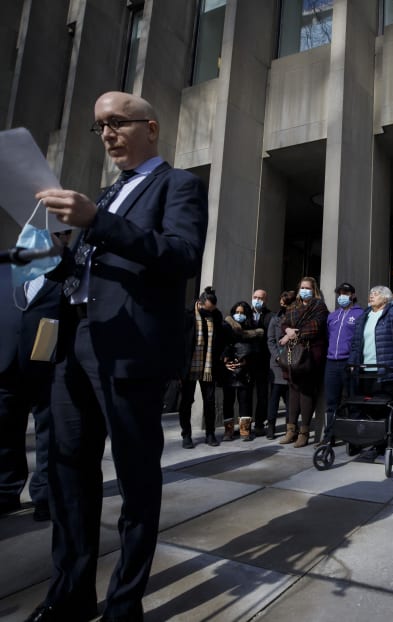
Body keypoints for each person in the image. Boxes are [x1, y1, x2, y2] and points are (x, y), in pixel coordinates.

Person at [31, 91, 208, 622]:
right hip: (73, 342)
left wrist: (98, 221)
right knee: (68, 474)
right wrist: (60, 250)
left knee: (135, 480)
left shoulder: (178, 185)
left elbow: (180, 254)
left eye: (116, 123)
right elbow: (84, 271)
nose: (107, 134)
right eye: (99, 127)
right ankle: (71, 592)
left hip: (130, 349)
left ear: (149, 128)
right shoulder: (106, 194)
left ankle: (124, 605)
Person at [0, 242, 66, 522]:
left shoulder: (64, 275)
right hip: (6, 364)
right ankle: (6, 491)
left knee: (48, 436)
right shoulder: (6, 270)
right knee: (4, 432)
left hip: (46, 365)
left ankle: (45, 495)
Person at [347, 285, 393, 418]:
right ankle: (371, 437)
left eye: (376, 294)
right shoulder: (364, 316)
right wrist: (352, 363)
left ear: (385, 299)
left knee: (385, 408)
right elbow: (356, 344)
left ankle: (389, 436)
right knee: (367, 408)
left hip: (385, 371)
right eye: (371, 293)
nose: (371, 296)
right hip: (364, 372)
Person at [279, 276, 329, 447]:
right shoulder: (292, 306)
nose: (304, 290)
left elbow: (316, 326)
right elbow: (283, 323)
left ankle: (304, 432)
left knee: (306, 393)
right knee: (293, 391)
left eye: (308, 288)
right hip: (292, 353)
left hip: (310, 354)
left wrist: (293, 333)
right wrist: (287, 330)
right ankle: (291, 429)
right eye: (302, 287)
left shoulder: (319, 306)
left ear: (313, 289)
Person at [179, 286, 225, 448]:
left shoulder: (216, 316)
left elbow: (222, 339)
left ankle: (210, 433)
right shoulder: (186, 314)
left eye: (212, 310)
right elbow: (179, 342)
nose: (209, 312)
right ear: (200, 303)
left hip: (209, 366)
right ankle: (186, 434)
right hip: (189, 366)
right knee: (186, 401)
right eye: (207, 309)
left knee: (210, 401)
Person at [321, 282, 363, 445]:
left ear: (352, 295)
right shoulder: (332, 316)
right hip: (331, 362)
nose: (342, 296)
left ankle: (354, 439)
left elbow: (360, 341)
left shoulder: (360, 314)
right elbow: (328, 337)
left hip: (349, 362)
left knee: (353, 400)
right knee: (331, 402)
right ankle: (329, 436)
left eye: (345, 293)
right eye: (339, 293)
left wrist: (354, 360)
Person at [221, 301, 261, 441]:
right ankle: (228, 431)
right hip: (229, 372)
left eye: (242, 313)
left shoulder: (253, 329)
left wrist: (247, 360)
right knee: (228, 402)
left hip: (246, 371)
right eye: (237, 312)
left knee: (245, 401)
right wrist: (225, 362)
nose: (239, 315)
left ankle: (245, 431)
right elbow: (221, 346)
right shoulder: (225, 328)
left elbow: (256, 351)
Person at [265, 290, 295, 439]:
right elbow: (270, 340)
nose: (283, 305)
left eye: (286, 302)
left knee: (290, 399)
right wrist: (277, 357)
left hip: (293, 363)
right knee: (274, 397)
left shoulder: (296, 317)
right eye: (282, 302)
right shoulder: (275, 319)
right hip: (277, 364)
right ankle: (271, 426)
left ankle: (291, 427)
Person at [249, 288, 273, 437]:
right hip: (247, 362)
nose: (257, 300)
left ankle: (259, 424)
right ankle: (245, 425)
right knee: (246, 396)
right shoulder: (244, 313)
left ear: (265, 301)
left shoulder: (270, 316)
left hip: (263, 362)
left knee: (262, 395)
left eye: (261, 298)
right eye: (255, 297)